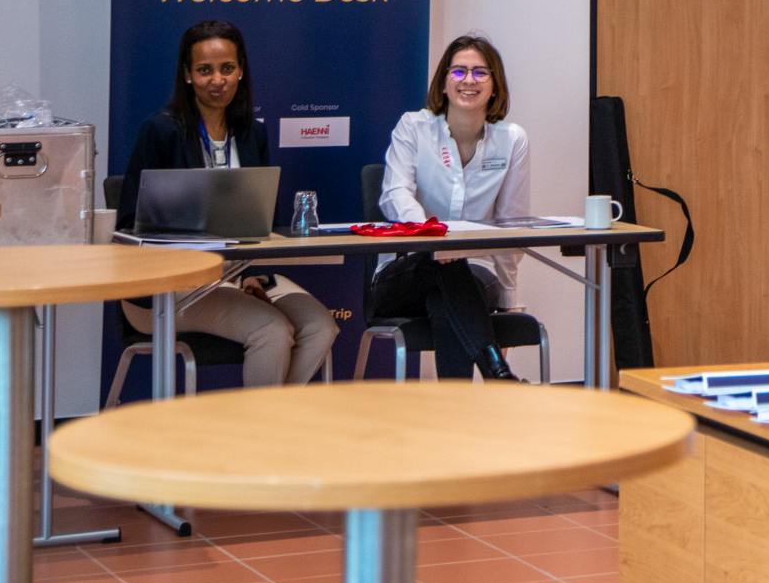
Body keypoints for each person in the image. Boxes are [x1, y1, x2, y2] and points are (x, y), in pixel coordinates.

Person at [120, 19, 338, 386]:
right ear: (187, 75)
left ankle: (271, 416)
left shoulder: (253, 133)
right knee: (271, 330)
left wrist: (251, 273)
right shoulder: (161, 131)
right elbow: (130, 222)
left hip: (242, 273)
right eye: (205, 70)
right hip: (169, 288)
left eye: (227, 68)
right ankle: (260, 423)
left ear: (240, 71)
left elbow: (262, 221)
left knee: (320, 326)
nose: (217, 80)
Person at [372, 34, 530, 380]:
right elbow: (395, 194)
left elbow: (511, 223)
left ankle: (468, 396)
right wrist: (435, 239)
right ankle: (497, 374)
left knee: (447, 294)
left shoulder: (512, 140)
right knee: (448, 265)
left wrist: (509, 299)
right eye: (458, 71)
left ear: (495, 86)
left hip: (471, 277)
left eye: (480, 72)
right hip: (405, 274)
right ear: (443, 82)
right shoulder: (413, 127)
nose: (468, 80)